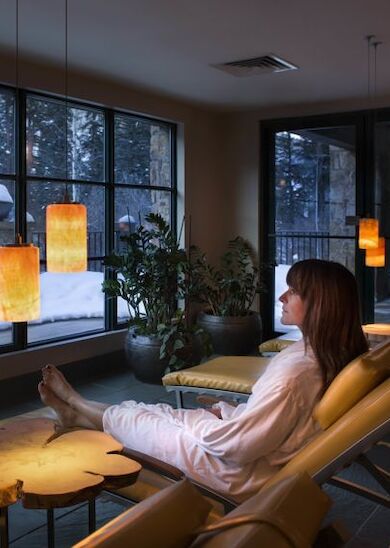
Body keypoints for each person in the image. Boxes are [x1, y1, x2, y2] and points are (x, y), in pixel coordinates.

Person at [38, 259, 368, 502]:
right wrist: (225, 411)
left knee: (134, 417)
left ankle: (76, 404)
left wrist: (206, 423)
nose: (282, 297)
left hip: (232, 472)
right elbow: (268, 426)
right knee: (146, 409)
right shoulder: (323, 354)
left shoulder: (296, 377)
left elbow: (235, 446)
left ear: (321, 305)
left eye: (293, 291)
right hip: (239, 447)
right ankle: (75, 415)